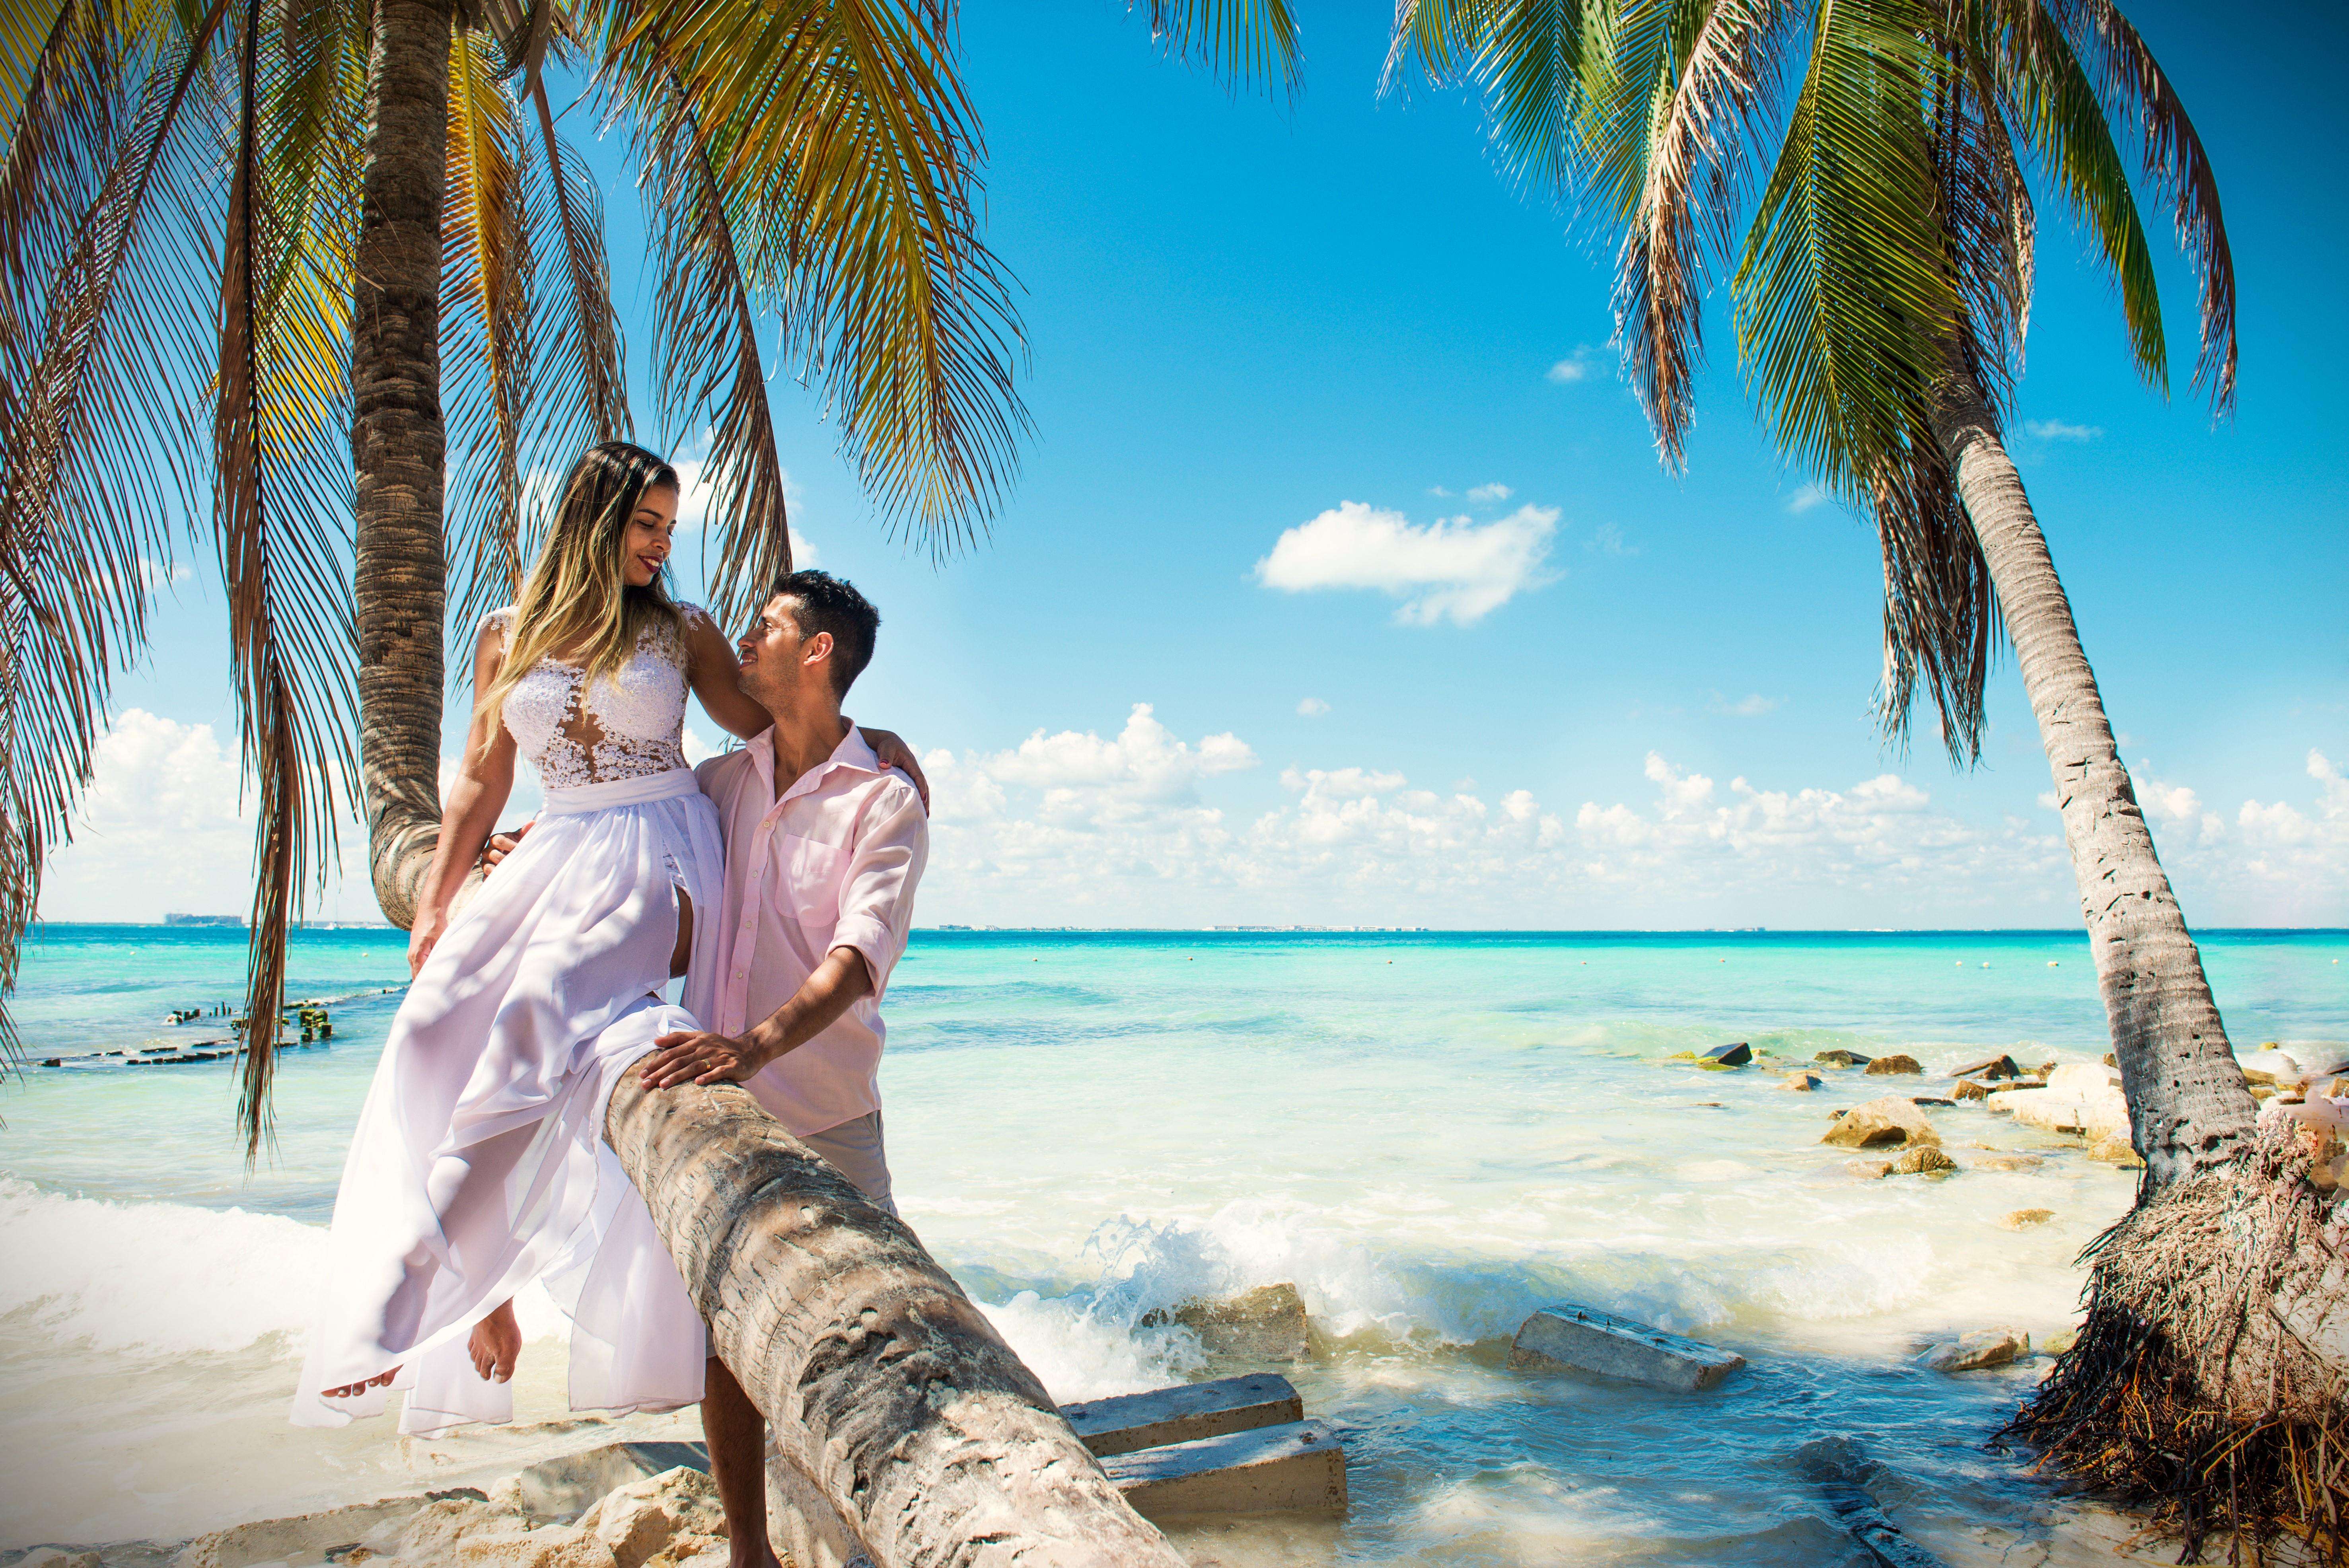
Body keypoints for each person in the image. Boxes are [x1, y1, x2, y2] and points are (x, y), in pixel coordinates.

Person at [292, 443, 924, 1440]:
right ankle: (485, 1283)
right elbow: (482, 777)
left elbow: (779, 714)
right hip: (559, 848)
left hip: (660, 848)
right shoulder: (506, 634)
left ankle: (412, 1282)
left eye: (670, 527)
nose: (663, 545)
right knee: (427, 1032)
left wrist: (875, 741)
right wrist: (439, 900)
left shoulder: (680, 630)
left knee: (543, 1005)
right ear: (594, 518)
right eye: (647, 524)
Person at [487, 571, 927, 1563]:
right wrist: (530, 852)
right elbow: (621, 835)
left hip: (827, 1106)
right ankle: (748, 1548)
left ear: (817, 651)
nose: (744, 644)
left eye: (766, 627)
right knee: (729, 1333)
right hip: (718, 1112)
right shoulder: (723, 782)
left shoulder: (884, 799)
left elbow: (858, 959)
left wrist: (755, 1045)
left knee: (880, 1316)